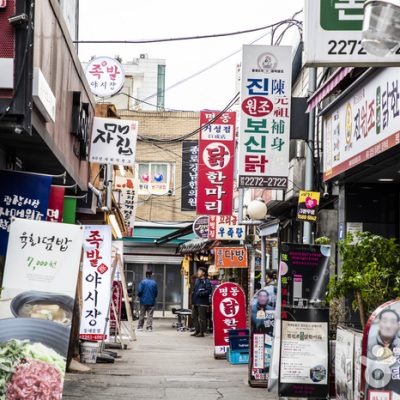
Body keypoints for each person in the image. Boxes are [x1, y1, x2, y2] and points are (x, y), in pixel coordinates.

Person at [191, 266, 212, 337]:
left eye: (199, 271)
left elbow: (209, 291)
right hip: (195, 301)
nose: (198, 272)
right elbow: (194, 290)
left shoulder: (207, 281)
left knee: (202, 318)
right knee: (193, 316)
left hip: (202, 302)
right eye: (198, 271)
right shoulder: (197, 280)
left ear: (203, 273)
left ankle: (202, 332)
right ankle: (197, 330)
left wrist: (201, 293)